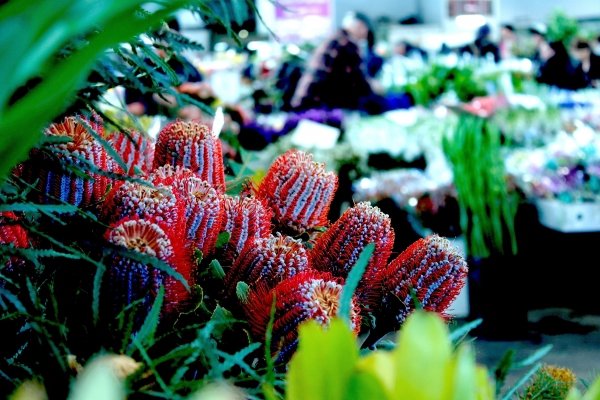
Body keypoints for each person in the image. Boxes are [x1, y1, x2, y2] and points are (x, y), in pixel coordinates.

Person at [291, 11, 384, 112]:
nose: (365, 36)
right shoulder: (347, 44)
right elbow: (357, 79)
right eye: (366, 31)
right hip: (317, 104)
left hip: (309, 99)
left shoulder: (336, 38)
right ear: (360, 26)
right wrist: (374, 87)